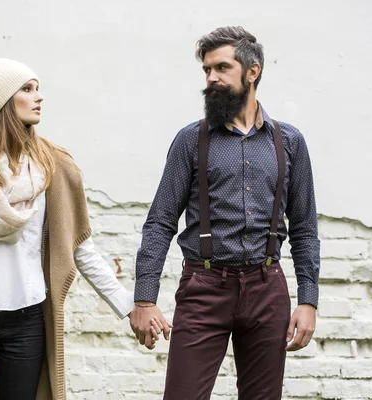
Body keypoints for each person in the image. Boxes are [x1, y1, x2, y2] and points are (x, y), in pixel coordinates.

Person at [0, 57, 138, 400]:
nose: (39, 97)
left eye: (38, 89)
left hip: (28, 322)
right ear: (2, 101)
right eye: (27, 89)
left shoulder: (54, 167)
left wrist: (131, 307)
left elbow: (80, 250)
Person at [130, 26, 320, 399]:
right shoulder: (191, 140)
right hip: (204, 287)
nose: (211, 78)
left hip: (268, 288)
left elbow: (304, 229)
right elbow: (160, 221)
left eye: (222, 68)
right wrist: (144, 299)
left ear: (253, 71)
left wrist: (308, 301)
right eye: (206, 70)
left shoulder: (290, 142)